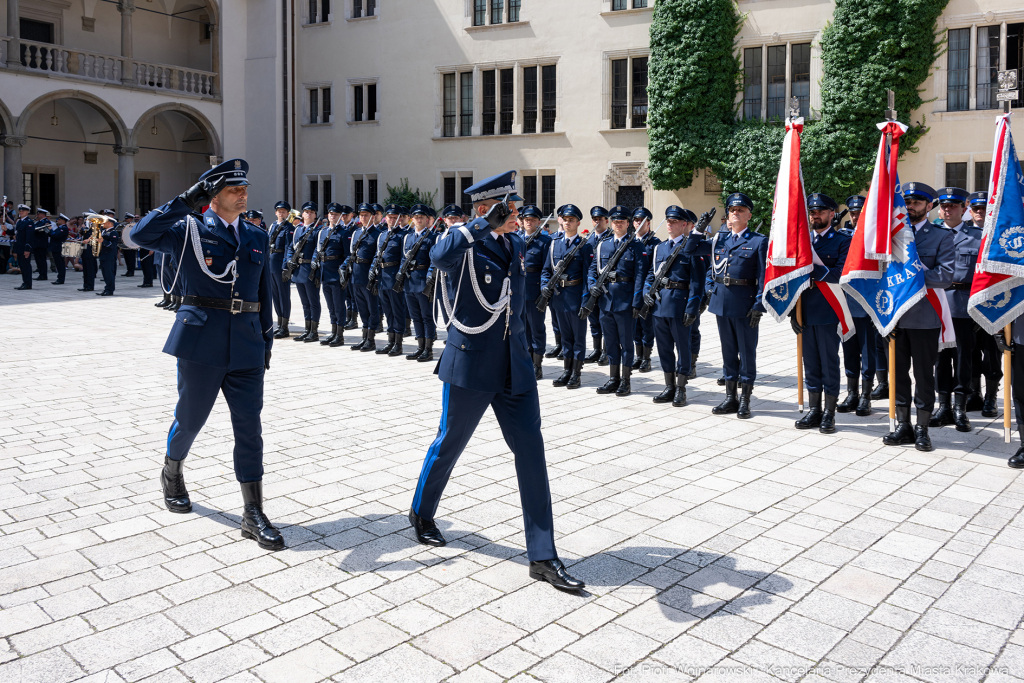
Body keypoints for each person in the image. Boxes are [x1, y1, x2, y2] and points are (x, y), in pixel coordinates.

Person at [409, 170, 584, 591]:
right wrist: (479, 224)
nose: (519, 213)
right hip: (470, 363)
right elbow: (437, 256)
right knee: (449, 441)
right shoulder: (466, 241)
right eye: (510, 207)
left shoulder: (519, 243)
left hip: (514, 365)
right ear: (489, 210)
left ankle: (542, 555)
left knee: (532, 454)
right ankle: (422, 511)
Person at [131, 158, 283, 550]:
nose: (243, 195)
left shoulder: (256, 235)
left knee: (249, 428)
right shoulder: (188, 229)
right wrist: (183, 202)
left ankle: (253, 512)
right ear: (212, 196)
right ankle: (172, 471)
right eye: (234, 190)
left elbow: (264, 292)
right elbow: (139, 236)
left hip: (247, 343)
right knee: (189, 419)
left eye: (244, 189)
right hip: (201, 342)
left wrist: (266, 339)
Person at [882, 182, 955, 452]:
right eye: (907, 201)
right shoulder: (890, 234)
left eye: (916, 202)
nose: (910, 206)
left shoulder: (940, 237)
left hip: (925, 317)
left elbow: (946, 276)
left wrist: (912, 277)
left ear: (929, 206)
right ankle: (904, 426)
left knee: (924, 375)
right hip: (893, 316)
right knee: (897, 373)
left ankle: (923, 428)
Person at [789, 194, 851, 433]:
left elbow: (839, 274)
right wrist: (793, 313)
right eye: (813, 212)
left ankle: (829, 413)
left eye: (821, 211)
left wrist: (810, 269)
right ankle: (814, 410)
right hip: (805, 311)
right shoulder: (803, 242)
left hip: (828, 310)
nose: (816, 215)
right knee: (810, 363)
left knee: (829, 363)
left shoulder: (841, 241)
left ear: (832, 214)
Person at [708, 193, 768, 419]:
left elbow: (763, 276)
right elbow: (695, 252)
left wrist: (759, 304)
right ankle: (730, 397)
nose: (735, 213)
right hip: (722, 302)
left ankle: (745, 400)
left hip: (745, 305)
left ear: (749, 215)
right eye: (732, 210)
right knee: (728, 352)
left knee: (747, 352)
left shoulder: (758, 241)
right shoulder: (719, 240)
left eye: (740, 210)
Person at [646, 206, 707, 406]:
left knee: (683, 347)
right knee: (663, 348)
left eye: (674, 222)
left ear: (684, 224)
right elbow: (651, 274)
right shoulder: (659, 248)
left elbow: (697, 283)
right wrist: (648, 291)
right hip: (660, 305)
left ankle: (681, 388)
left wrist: (692, 308)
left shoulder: (692, 247)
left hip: (680, 305)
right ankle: (669, 386)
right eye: (668, 221)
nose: (670, 224)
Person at [930, 187, 979, 433]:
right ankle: (943, 407)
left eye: (953, 206)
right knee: (940, 359)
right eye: (944, 206)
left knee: (962, 359)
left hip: (962, 304)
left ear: (964, 208)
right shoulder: (931, 235)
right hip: (937, 303)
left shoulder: (977, 236)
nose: (948, 210)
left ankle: (960, 408)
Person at [590, 204, 650, 397]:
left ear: (628, 224)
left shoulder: (636, 246)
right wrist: (592, 286)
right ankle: (613, 378)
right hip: (606, 300)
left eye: (622, 221)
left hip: (625, 302)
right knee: (611, 341)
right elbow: (593, 269)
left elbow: (641, 276)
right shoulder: (603, 245)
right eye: (615, 221)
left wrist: (636, 301)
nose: (618, 224)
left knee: (626, 342)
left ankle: (625, 381)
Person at [542, 204, 593, 389]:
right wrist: (544, 286)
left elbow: (589, 275)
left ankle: (576, 373)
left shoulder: (585, 246)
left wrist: (586, 300)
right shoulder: (554, 243)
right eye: (565, 219)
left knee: (578, 338)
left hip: (576, 296)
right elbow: (546, 270)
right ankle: (566, 370)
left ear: (578, 223)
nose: (567, 223)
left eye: (572, 220)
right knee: (565, 337)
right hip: (558, 298)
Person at [836, 195, 878, 415]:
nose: (854, 216)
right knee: (849, 351)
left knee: (868, 353)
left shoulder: (875, 238)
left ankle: (866, 396)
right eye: (852, 213)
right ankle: (852, 394)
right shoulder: (842, 237)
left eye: (859, 212)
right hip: (846, 305)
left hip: (867, 305)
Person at [965, 192, 1002, 417]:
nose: (980, 212)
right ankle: (974, 393)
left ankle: (991, 396)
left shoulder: (1000, 232)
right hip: (967, 302)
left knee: (992, 353)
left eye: (983, 208)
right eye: (976, 208)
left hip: (993, 302)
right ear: (970, 210)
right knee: (969, 351)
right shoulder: (962, 233)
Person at [399, 204, 440, 361]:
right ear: (412, 219)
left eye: (421, 217)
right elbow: (404, 258)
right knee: (415, 316)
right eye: (416, 217)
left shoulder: (432, 237)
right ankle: (420, 346)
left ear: (427, 219)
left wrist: (430, 277)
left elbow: (434, 260)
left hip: (423, 282)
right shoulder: (407, 237)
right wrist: (400, 275)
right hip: (410, 281)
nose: (418, 220)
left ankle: (428, 349)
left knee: (427, 316)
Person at [519, 205, 553, 379]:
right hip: (518, 291)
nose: (529, 222)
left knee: (537, 328)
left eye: (532, 220)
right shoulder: (516, 239)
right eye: (526, 220)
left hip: (535, 290)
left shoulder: (544, 242)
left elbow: (547, 267)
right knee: (522, 328)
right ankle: (526, 360)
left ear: (539, 222)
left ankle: (537, 364)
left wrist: (543, 291)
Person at [345, 203, 384, 351]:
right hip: (356, 275)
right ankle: (364, 337)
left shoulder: (377, 234)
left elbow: (377, 255)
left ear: (372, 217)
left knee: (372, 308)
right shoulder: (356, 233)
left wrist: (374, 276)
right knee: (361, 308)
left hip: (368, 275)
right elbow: (351, 254)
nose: (363, 217)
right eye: (361, 215)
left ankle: (371, 339)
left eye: (366, 215)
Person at [374, 205, 411, 357]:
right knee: (387, 310)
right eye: (390, 217)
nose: (393, 220)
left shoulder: (403, 235)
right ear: (386, 218)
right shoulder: (382, 235)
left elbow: (404, 257)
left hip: (395, 277)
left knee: (398, 311)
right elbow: (377, 255)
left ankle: (398, 343)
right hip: (383, 277)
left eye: (396, 218)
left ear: (400, 219)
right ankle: (390, 341)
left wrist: (400, 276)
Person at [315, 203, 352, 347]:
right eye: (331, 214)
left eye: (336, 214)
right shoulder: (323, 231)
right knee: (330, 306)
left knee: (338, 305)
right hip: (325, 272)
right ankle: (333, 331)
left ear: (340, 216)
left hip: (336, 273)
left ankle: (340, 335)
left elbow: (349, 255)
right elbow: (318, 252)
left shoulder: (344, 233)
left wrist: (343, 269)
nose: (333, 216)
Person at [631, 207, 659, 373]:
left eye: (642, 221)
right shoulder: (630, 242)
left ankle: (646, 358)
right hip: (631, 289)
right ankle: (638, 356)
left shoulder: (655, 244)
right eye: (636, 220)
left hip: (646, 289)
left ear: (648, 223)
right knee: (635, 325)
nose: (638, 223)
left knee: (647, 325)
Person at [290, 202, 323, 342]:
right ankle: (307, 329)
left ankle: (314, 331)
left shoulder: (317, 231)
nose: (308, 214)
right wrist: (288, 261)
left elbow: (318, 249)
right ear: (302, 214)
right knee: (305, 302)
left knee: (313, 301)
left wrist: (315, 266)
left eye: (311, 212)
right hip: (299, 270)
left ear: (315, 215)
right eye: (306, 211)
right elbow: (291, 248)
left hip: (310, 269)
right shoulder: (298, 229)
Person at [585, 206, 612, 365]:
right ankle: (596, 349)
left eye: (600, 219)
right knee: (593, 318)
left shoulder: (609, 238)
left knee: (605, 320)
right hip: (591, 284)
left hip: (605, 286)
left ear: (606, 221)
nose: (597, 222)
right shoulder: (588, 239)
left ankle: (607, 351)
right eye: (594, 219)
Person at [267, 201, 295, 338]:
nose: (281, 213)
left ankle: (285, 326)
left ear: (288, 213)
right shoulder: (273, 225)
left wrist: (286, 266)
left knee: (283, 296)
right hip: (271, 264)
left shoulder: (289, 228)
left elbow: (289, 248)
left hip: (280, 265)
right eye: (279, 211)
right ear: (275, 212)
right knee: (275, 296)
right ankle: (279, 324)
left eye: (284, 211)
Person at [96, 213, 119, 296]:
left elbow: (113, 245)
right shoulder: (104, 232)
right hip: (103, 255)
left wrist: (103, 242)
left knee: (109, 274)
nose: (102, 224)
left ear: (109, 223)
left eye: (104, 222)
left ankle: (110, 290)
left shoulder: (113, 232)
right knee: (105, 274)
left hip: (109, 256)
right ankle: (107, 288)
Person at [13, 204, 34, 290]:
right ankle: (25, 282)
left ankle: (28, 284)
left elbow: (29, 237)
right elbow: (16, 233)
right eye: (20, 211)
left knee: (26, 266)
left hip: (24, 248)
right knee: (22, 265)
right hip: (19, 247)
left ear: (27, 212)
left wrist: (27, 249)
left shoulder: (29, 222)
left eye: (23, 211)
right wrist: (6, 229)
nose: (21, 212)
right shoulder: (20, 221)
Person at [78, 214, 99, 292]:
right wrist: (82, 230)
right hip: (84, 250)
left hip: (91, 250)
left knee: (90, 269)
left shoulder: (95, 227)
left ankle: (90, 286)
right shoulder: (86, 228)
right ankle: (85, 285)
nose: (85, 220)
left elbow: (94, 237)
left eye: (87, 219)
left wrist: (87, 239)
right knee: (85, 269)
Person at [48, 213, 69, 285]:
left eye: (59, 219)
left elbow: (55, 235)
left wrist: (50, 230)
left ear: (63, 220)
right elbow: (52, 234)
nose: (57, 221)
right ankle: (59, 278)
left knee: (60, 264)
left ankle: (61, 279)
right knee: (58, 263)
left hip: (59, 247)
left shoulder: (64, 228)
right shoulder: (59, 227)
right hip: (55, 247)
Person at [31, 207, 52, 281]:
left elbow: (41, 230)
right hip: (36, 243)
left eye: (38, 214)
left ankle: (43, 275)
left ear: (42, 214)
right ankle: (41, 274)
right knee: (38, 260)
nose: (37, 215)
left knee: (41, 260)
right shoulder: (38, 222)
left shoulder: (46, 222)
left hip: (41, 243)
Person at [120, 213, 138, 277]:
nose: (125, 220)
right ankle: (128, 270)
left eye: (127, 218)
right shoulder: (124, 225)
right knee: (127, 258)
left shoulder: (134, 225)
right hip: (125, 244)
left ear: (130, 219)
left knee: (131, 259)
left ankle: (131, 271)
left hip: (131, 245)